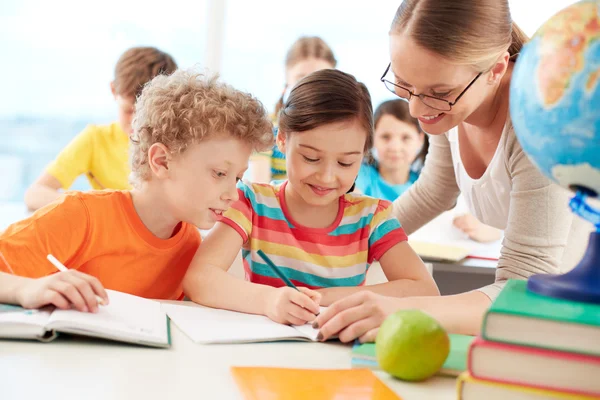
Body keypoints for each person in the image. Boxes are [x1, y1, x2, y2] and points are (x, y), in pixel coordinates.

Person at [314, 0, 590, 341]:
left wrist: (399, 309)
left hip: (580, 308)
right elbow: (435, 190)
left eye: (438, 93)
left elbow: (524, 286)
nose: (415, 108)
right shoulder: (451, 104)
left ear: (496, 69)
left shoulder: (541, 119)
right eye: (404, 85)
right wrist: (343, 246)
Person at [0, 70, 273, 312]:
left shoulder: (190, 245)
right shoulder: (80, 215)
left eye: (237, 178)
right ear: (161, 162)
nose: (233, 194)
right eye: (220, 174)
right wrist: (26, 289)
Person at [183, 69, 439, 326]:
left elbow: (425, 291)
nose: (327, 177)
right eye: (311, 158)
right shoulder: (252, 202)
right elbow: (199, 279)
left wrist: (324, 298)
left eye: (345, 162)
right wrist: (269, 301)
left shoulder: (372, 218)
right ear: (282, 139)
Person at [24, 47, 178, 211]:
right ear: (113, 90)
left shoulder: (180, 145)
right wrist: (94, 207)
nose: (137, 123)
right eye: (128, 110)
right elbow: (34, 195)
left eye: (146, 114)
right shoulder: (95, 140)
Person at [250, 36, 337, 183]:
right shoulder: (265, 127)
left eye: (320, 79)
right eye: (301, 78)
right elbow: (259, 184)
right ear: (287, 76)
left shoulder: (340, 130)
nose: (311, 86)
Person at [355, 99, 427, 201]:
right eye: (385, 137)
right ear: (372, 138)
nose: (395, 147)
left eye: (405, 138)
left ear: (420, 140)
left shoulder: (425, 185)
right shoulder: (360, 175)